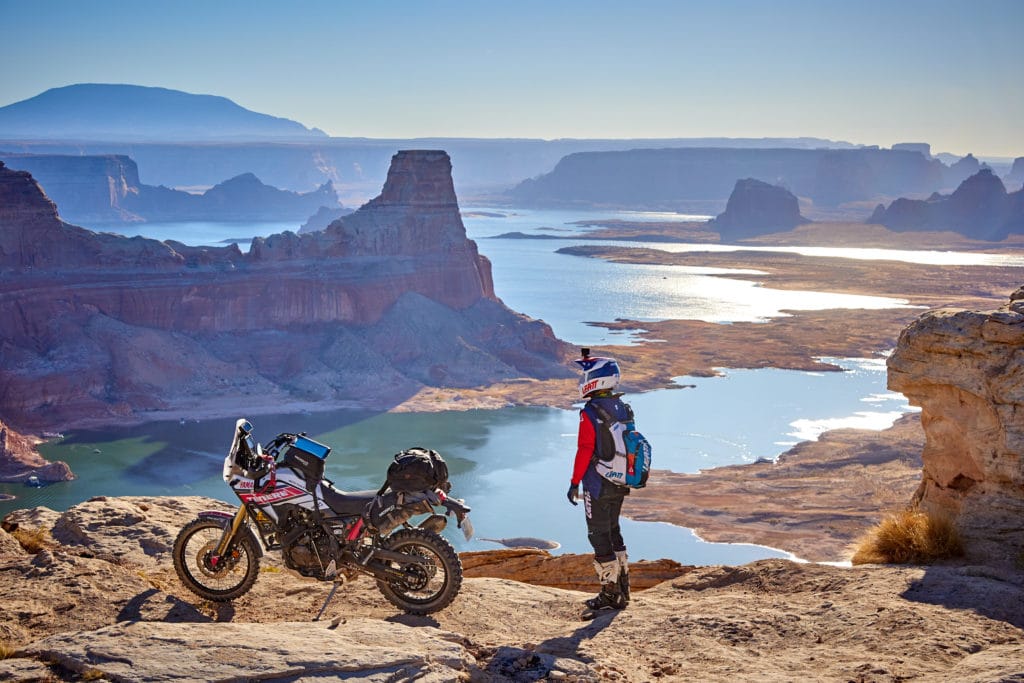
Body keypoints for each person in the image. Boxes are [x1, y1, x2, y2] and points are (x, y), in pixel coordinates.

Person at [567, 348, 631, 611]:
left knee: (598, 535)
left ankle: (609, 595)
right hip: (619, 481)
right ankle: (623, 589)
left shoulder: (591, 412)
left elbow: (584, 450)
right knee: (614, 531)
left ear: (598, 379)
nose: (583, 381)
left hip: (597, 484)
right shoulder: (622, 408)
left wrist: (574, 483)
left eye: (587, 375)